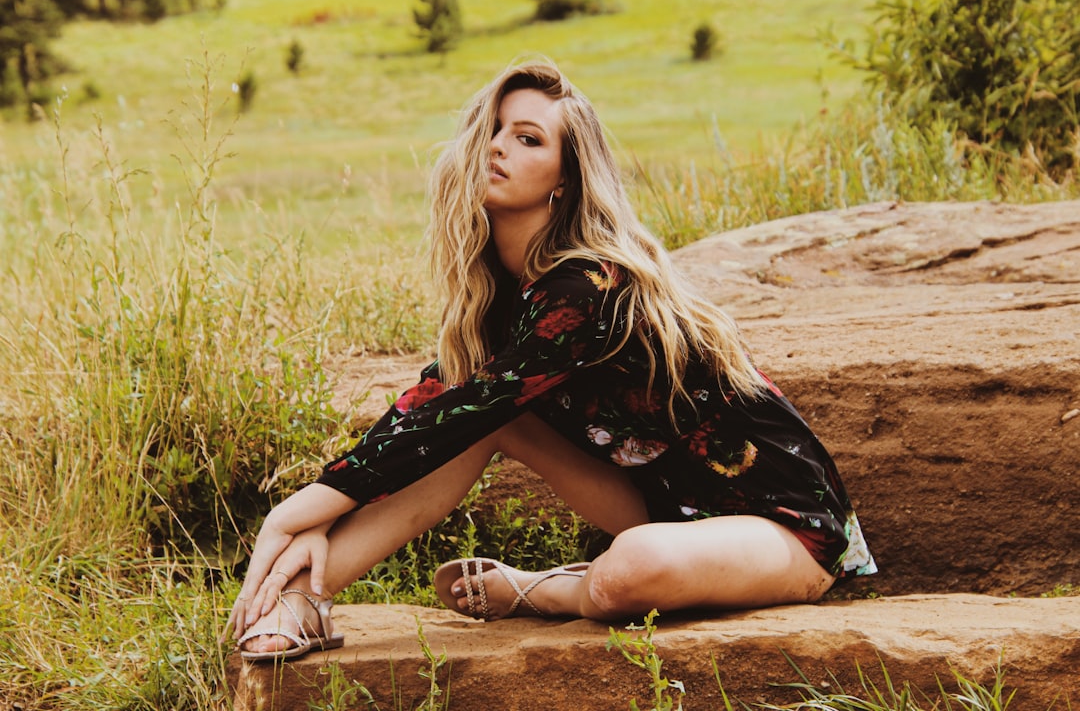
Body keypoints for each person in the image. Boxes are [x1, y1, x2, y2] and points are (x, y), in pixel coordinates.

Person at [226, 59, 876, 661]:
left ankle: (546, 589)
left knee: (631, 567)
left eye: (529, 138)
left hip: (782, 527)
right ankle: (306, 596)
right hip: (662, 510)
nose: (500, 147)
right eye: (496, 130)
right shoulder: (504, 298)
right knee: (488, 423)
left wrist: (295, 512)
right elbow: (435, 410)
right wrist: (327, 514)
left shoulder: (585, 289)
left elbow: (458, 411)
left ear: (565, 178)